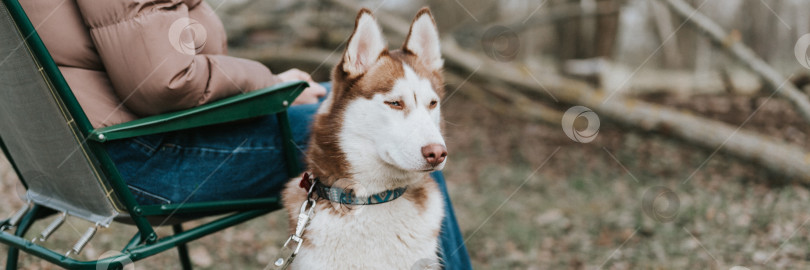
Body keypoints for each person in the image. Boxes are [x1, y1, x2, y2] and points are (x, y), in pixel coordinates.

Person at [20, 0, 472, 268]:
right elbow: (163, 80)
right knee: (405, 151)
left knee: (376, 129)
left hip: (69, 158)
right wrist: (269, 84)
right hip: (138, 165)